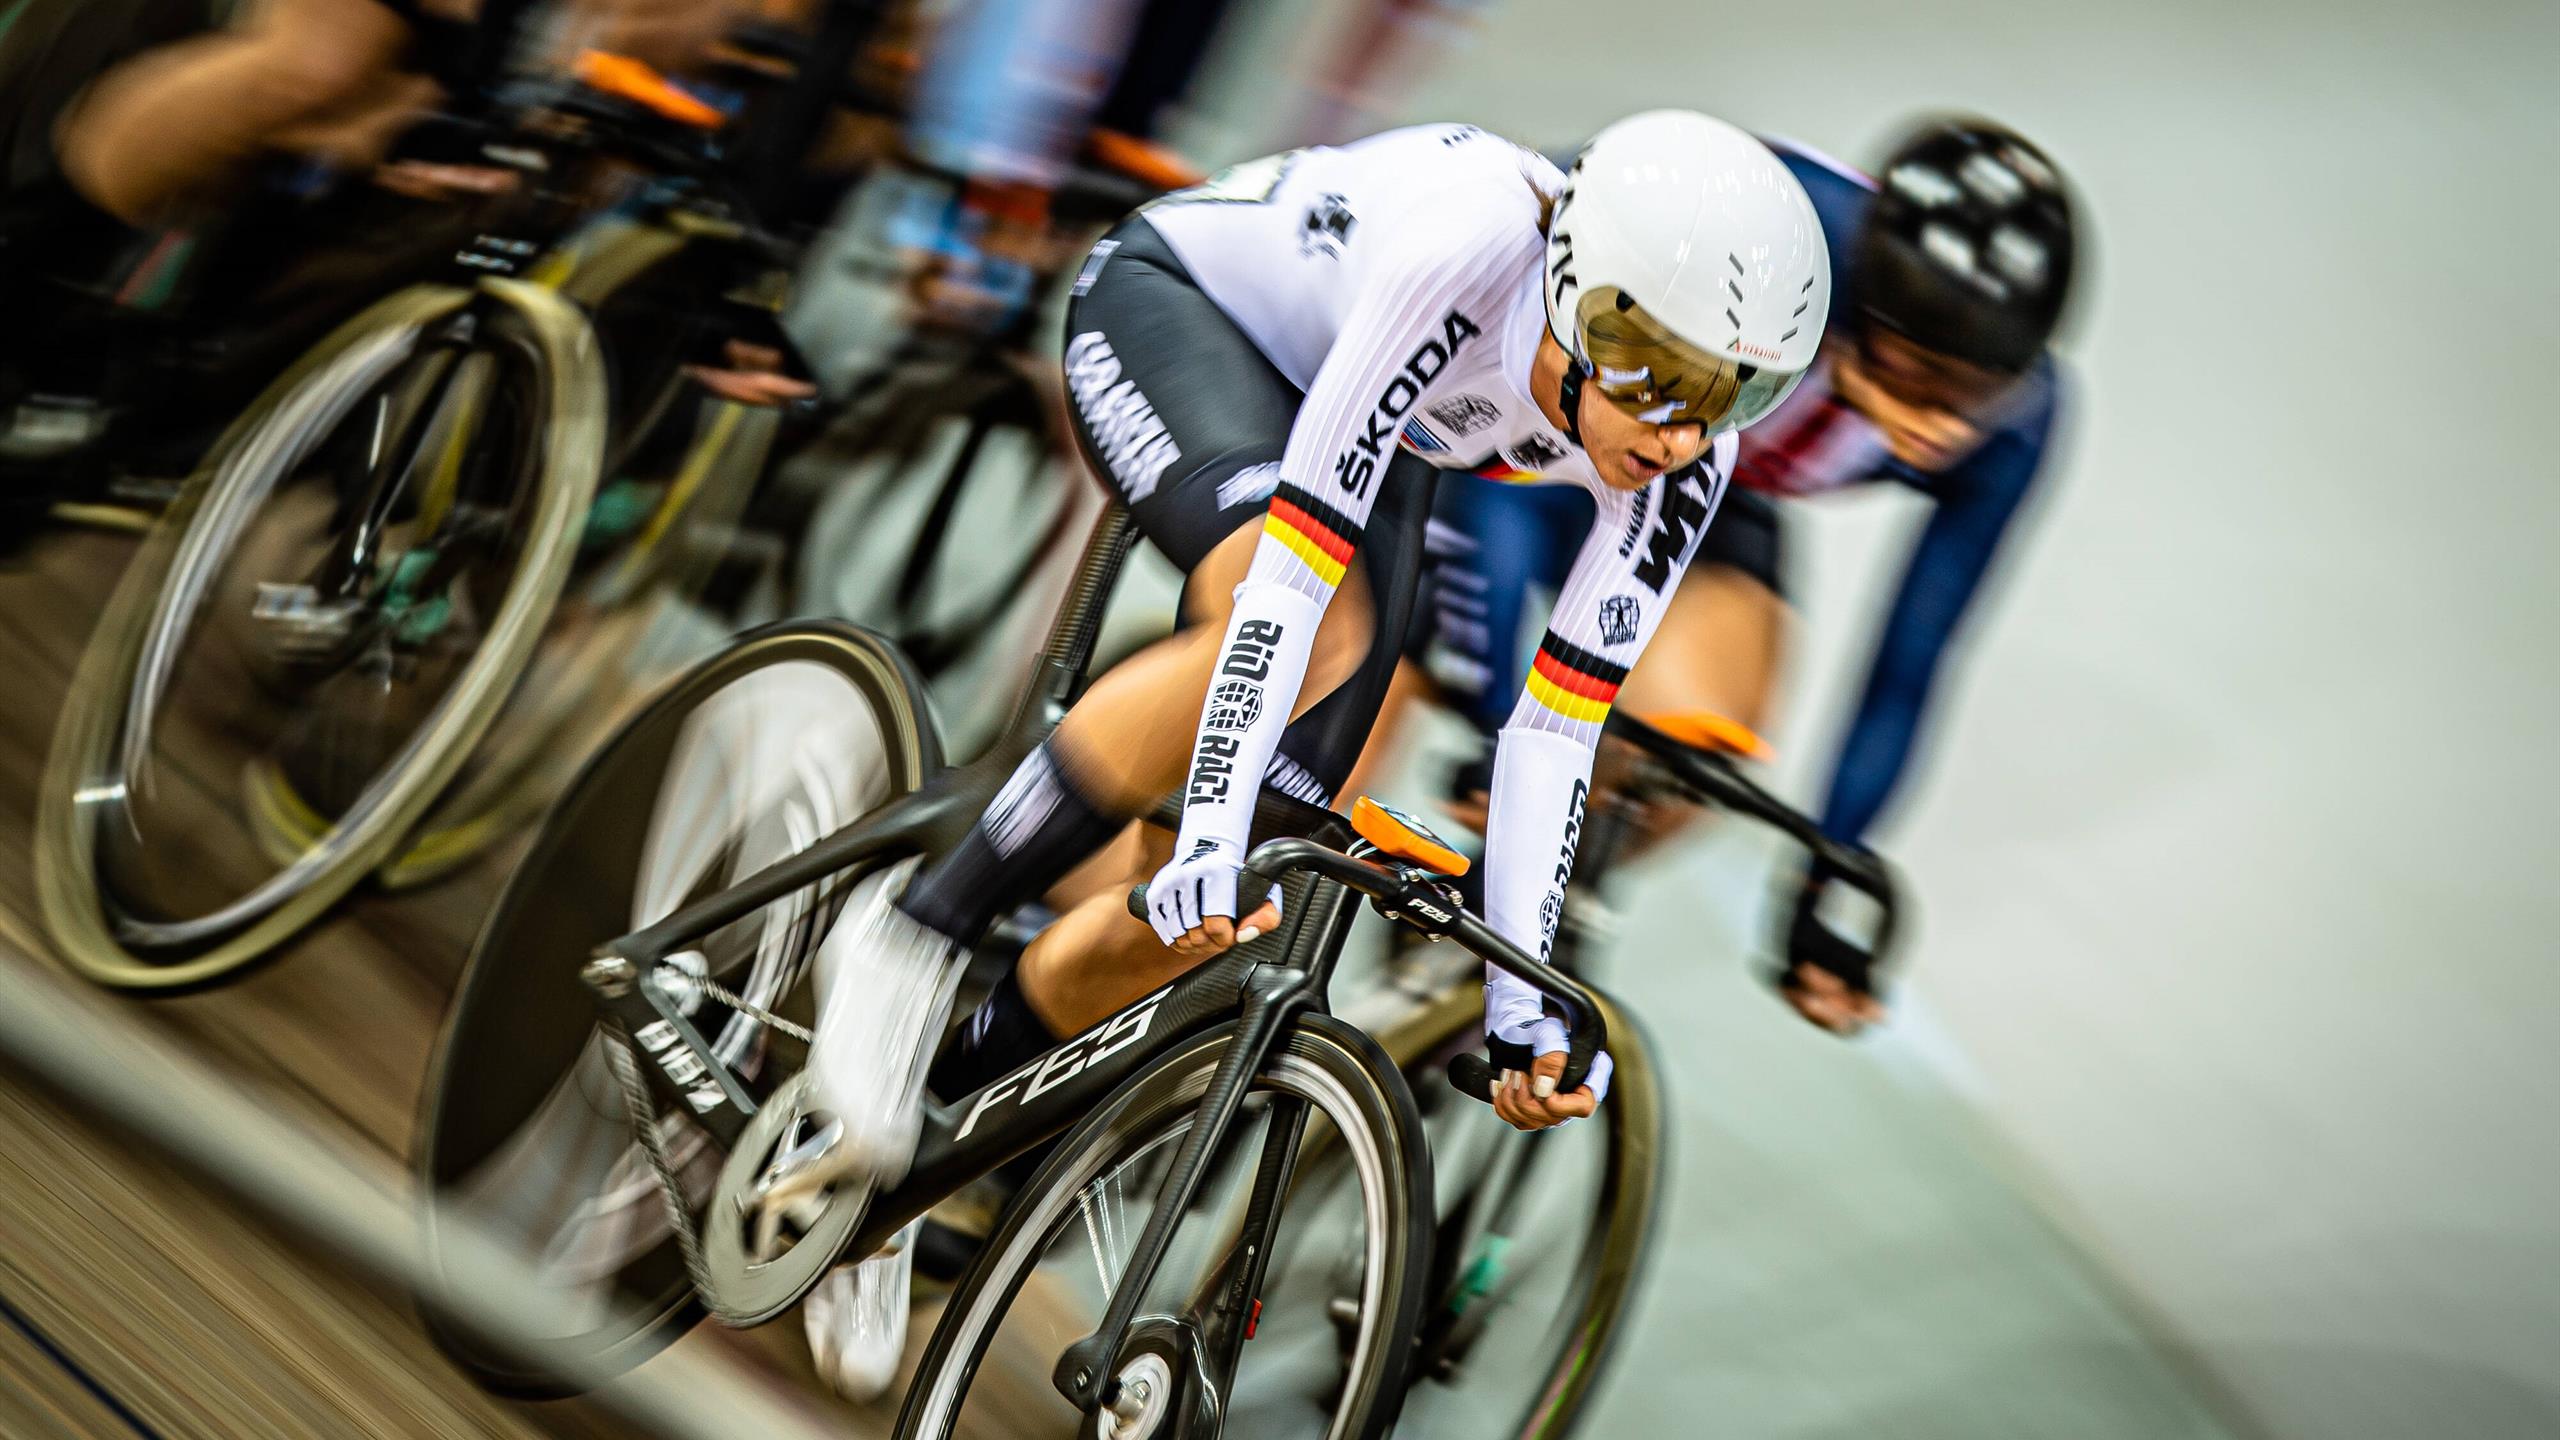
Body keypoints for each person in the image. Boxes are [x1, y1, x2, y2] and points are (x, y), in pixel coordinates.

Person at [776, 109, 1831, 1392]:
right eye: (1654, 370)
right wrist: (1203, 831)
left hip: (1368, 422)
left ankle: (905, 1146)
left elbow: (1553, 732)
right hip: (1186, 312)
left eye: (1731, 393)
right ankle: (914, 931)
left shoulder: (1678, 461)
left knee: (1218, 906)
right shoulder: (1474, 245)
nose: (1676, 431)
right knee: (1305, 646)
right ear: (1574, 291)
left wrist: (1519, 1010)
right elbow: (1281, 595)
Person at [1409, 116, 2080, 1036]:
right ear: (1859, 314)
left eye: (1981, 397)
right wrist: (1491, 710)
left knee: (1694, 755)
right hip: (1517, 406)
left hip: (1696, 481)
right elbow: (1501, 483)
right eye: (1922, 379)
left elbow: (1911, 661)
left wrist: (1827, 877)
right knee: (1370, 672)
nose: (1948, 428)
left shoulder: (2015, 428)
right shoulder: (1772, 248)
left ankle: (1464, 945)